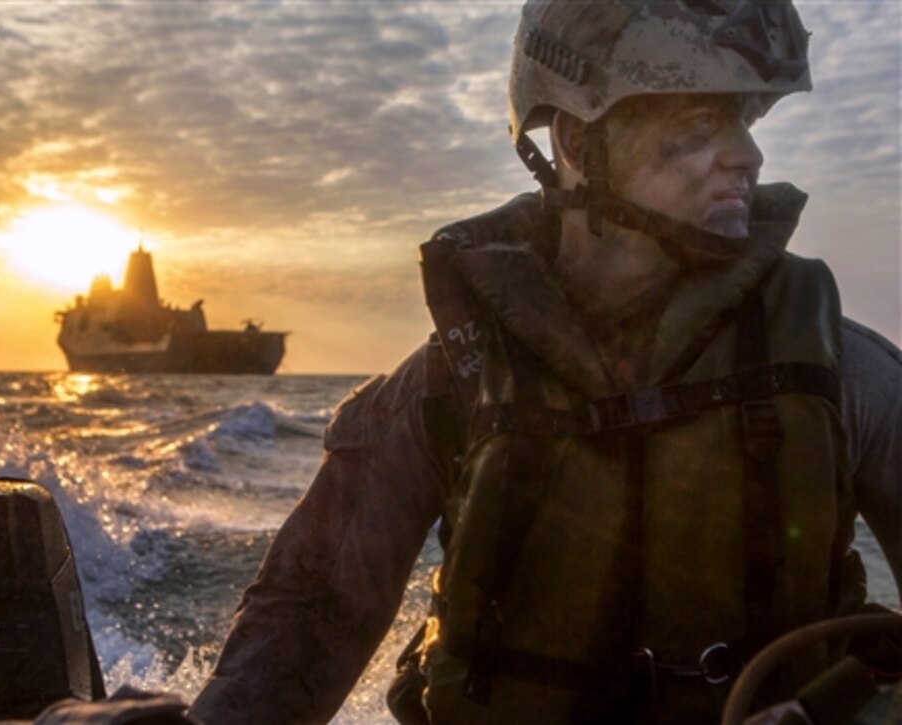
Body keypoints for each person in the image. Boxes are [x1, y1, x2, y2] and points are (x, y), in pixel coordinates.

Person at [190, 0, 902, 722]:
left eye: (744, 124)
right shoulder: (454, 381)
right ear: (576, 139)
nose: (746, 156)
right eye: (699, 126)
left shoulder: (838, 371)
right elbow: (310, 615)